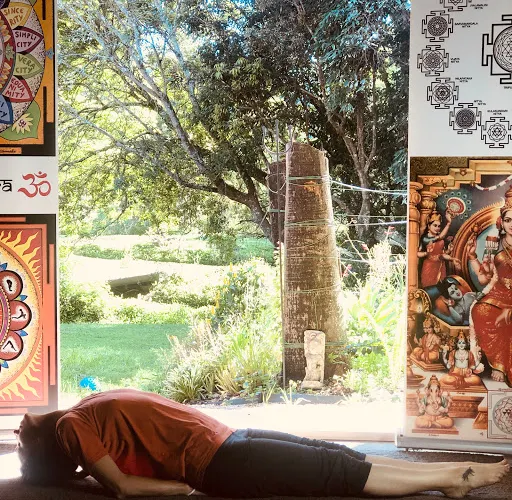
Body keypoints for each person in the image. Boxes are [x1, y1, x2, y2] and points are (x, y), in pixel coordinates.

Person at [15, 388, 509, 499]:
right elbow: (123, 487)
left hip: (229, 439)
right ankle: (450, 478)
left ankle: (447, 476)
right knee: (335, 473)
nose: (17, 430)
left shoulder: (81, 410)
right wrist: (181, 489)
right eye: (19, 443)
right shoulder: (69, 427)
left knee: (337, 455)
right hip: (219, 463)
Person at [468, 186, 512, 384]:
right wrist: (472, 257)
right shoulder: (495, 244)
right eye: (508, 220)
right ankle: (498, 365)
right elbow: (484, 278)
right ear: (502, 221)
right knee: (480, 311)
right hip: (499, 293)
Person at [418, 210, 460, 288]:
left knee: (440, 289)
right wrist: (448, 223)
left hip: (440, 266)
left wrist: (449, 250)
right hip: (430, 267)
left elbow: (442, 255)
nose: (437, 228)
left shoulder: (439, 239)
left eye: (439, 226)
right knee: (430, 288)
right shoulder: (426, 239)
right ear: (429, 226)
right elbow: (417, 253)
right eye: (435, 225)